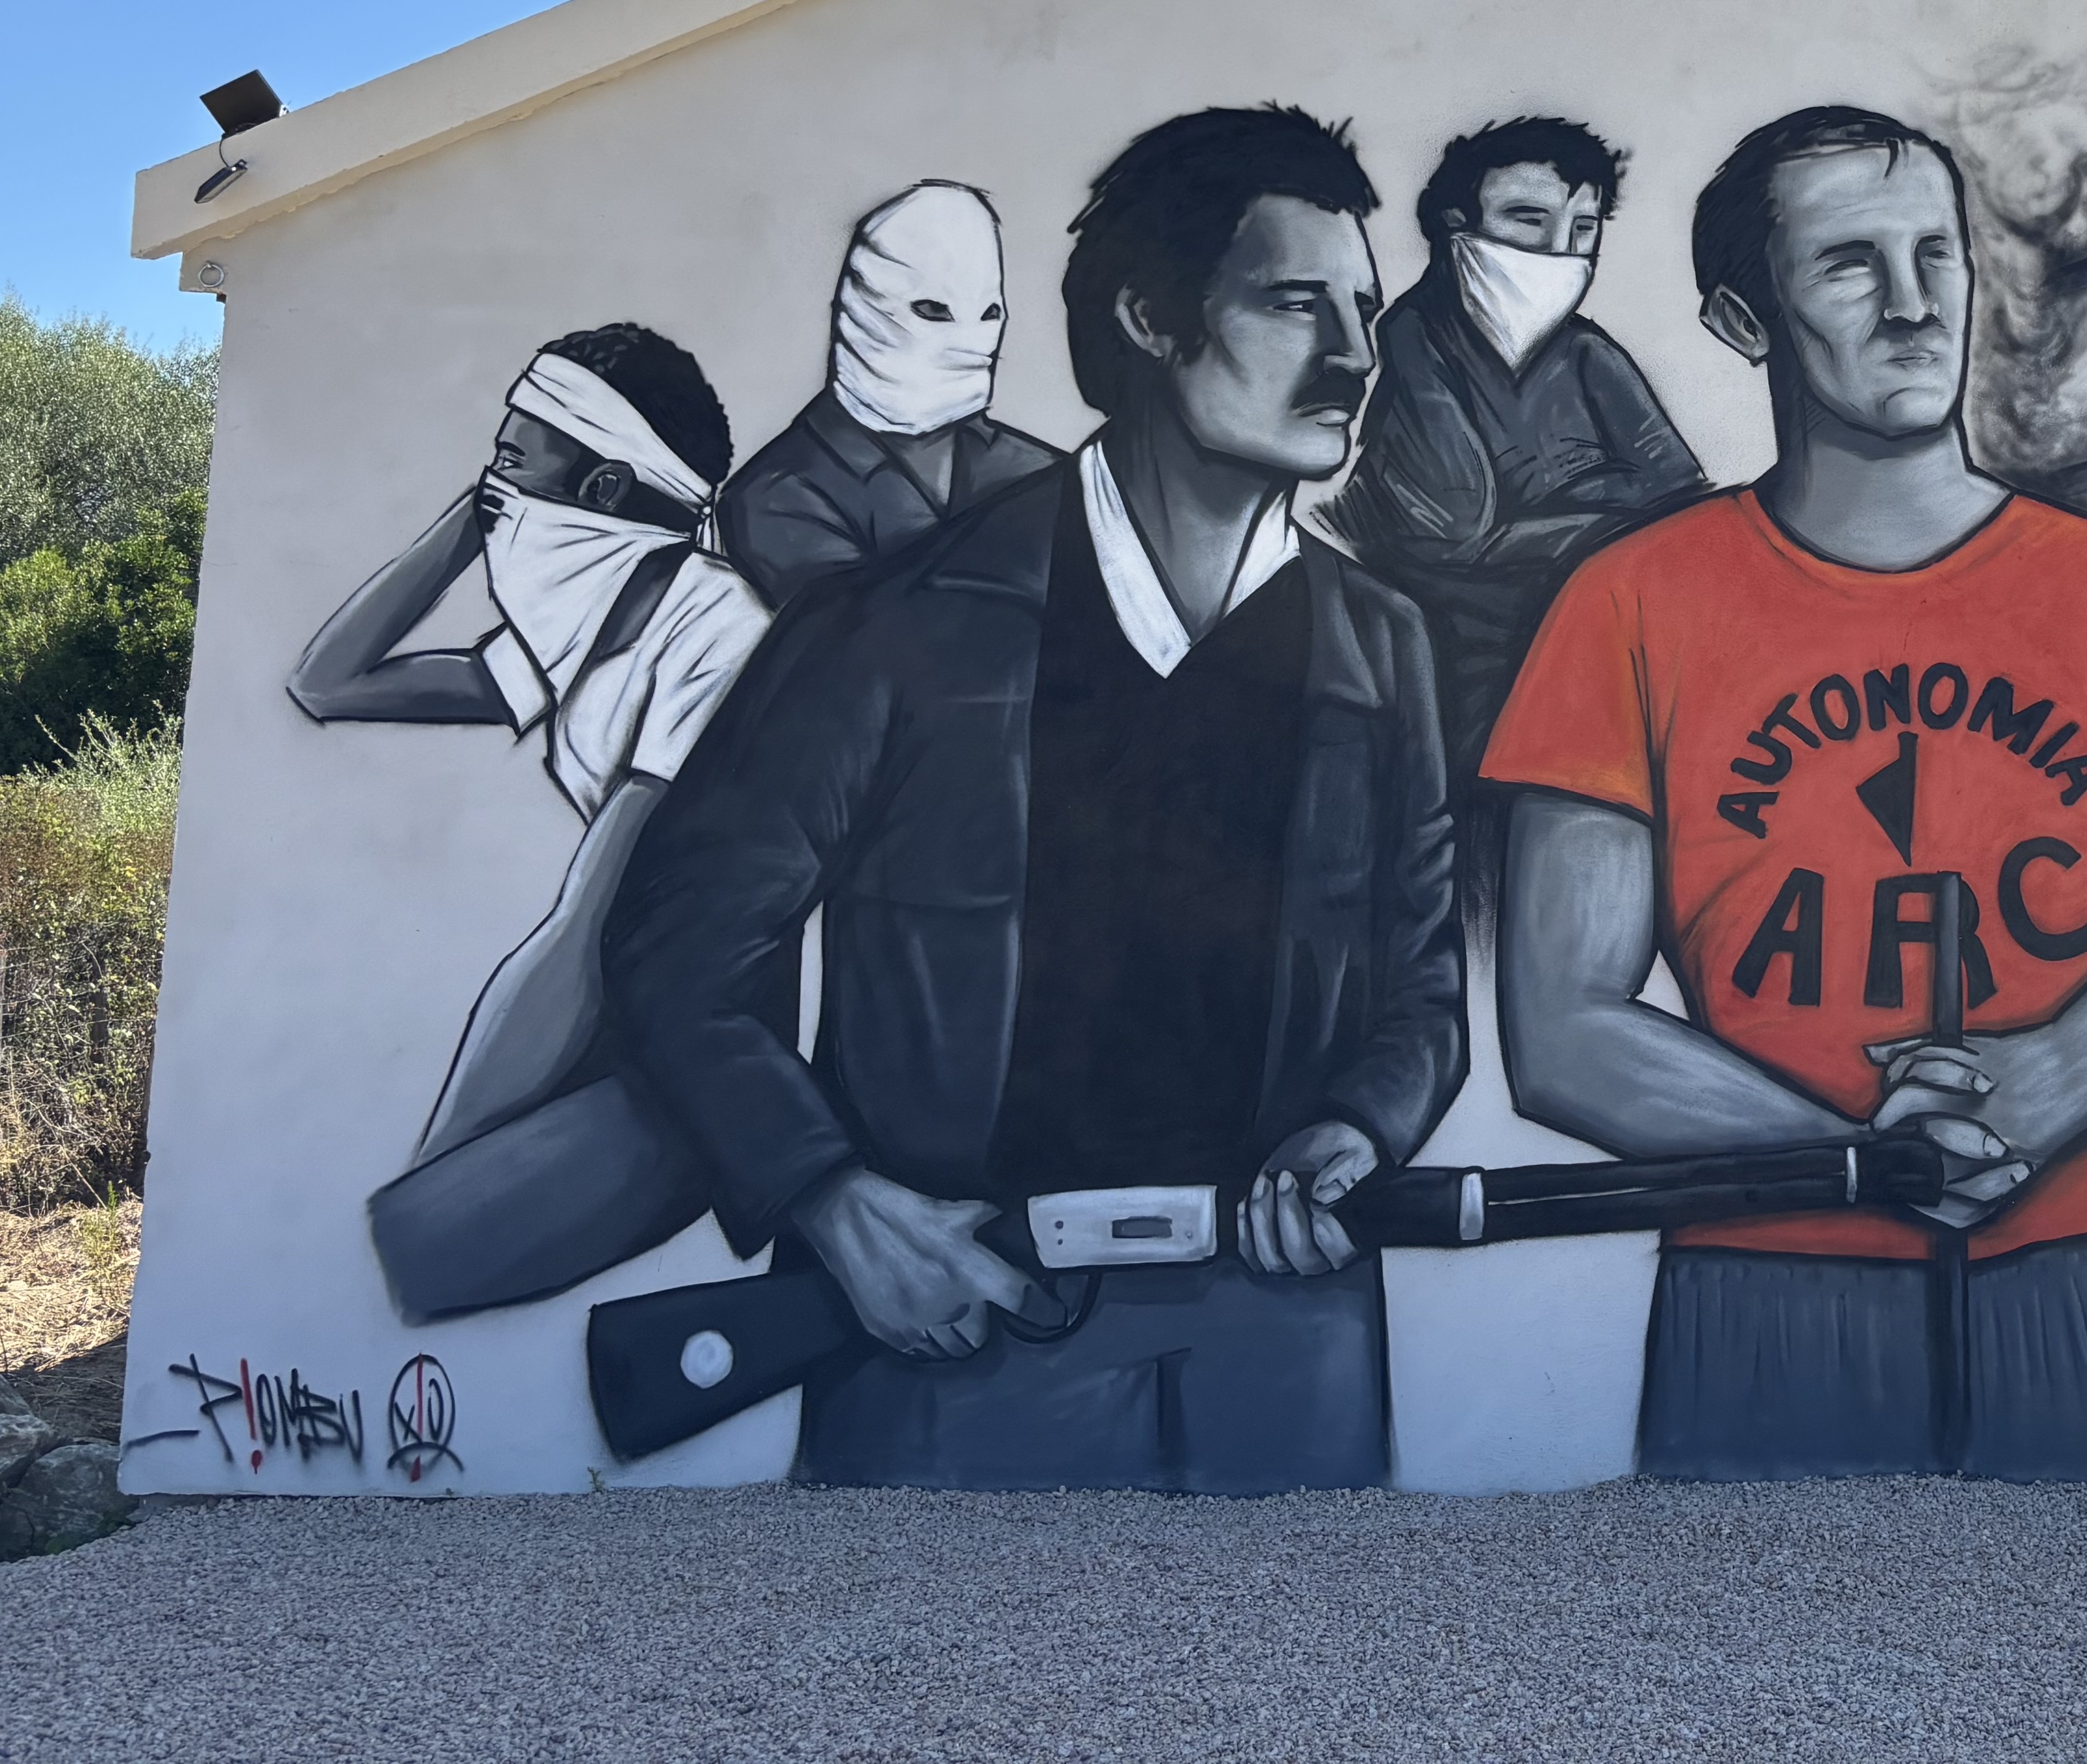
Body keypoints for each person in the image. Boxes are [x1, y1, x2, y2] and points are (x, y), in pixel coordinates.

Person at [602, 107, 1464, 1492]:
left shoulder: (1382, 647)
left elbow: (1421, 987)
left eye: (1365, 309)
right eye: (1299, 304)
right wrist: (833, 1204)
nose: (1356, 358)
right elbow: (683, 953)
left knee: (1315, 1697)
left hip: (1287, 1330)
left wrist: (1361, 1130)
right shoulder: (899, 626)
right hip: (956, 1330)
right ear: (1151, 318)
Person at [1486, 103, 2087, 1484]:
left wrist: (2042, 1089)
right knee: (1750, 1684)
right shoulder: (1626, 606)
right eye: (1852, 265)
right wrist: (1864, 1160)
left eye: (1938, 256)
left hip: (2061, 1278)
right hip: (1762, 1286)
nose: (1916, 306)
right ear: (1746, 319)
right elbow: (1563, 1026)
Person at [290, 323, 767, 1166]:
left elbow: (588, 925)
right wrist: (468, 527)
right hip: (641, 999)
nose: (490, 488)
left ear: (606, 485)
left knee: (427, 1236)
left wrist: (437, 1158)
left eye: (512, 464)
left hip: (727, 1037)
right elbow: (330, 683)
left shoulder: (715, 628)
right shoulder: (580, 632)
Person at [1325, 119, 1703, 907]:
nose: (1559, 252)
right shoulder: (1412, 339)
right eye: (1529, 221)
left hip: (1589, 653)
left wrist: (1552, 530)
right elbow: (1457, 530)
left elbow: (1686, 509)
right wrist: (1610, 511)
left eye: (1584, 230)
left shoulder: (1589, 354)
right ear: (1456, 227)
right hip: (1460, 674)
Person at [717, 180, 1060, 608]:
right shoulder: (777, 494)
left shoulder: (1042, 472)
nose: (969, 338)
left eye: (990, 313)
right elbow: (871, 644)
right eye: (933, 310)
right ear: (862, 305)